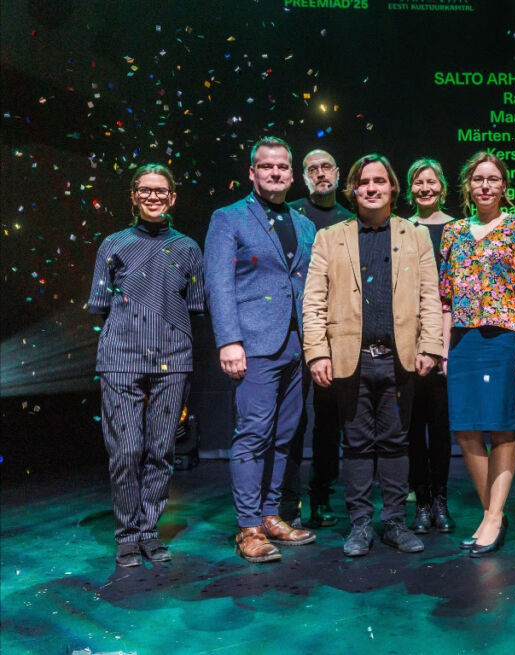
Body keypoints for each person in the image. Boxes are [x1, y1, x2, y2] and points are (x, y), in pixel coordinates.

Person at [303, 154, 444, 557]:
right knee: (357, 444)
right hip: (352, 358)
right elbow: (313, 301)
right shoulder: (330, 237)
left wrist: (430, 346)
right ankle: (361, 524)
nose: (371, 188)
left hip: (400, 358)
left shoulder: (414, 235)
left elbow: (430, 296)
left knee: (397, 442)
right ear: (353, 189)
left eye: (379, 181)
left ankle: (395, 522)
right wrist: (317, 353)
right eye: (363, 182)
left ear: (392, 188)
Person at [204, 136, 317, 563]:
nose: (275, 173)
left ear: (291, 173)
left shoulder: (303, 224)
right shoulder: (228, 217)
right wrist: (229, 340)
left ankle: (271, 515)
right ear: (252, 172)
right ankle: (248, 527)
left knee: (285, 435)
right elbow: (218, 284)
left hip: (296, 343)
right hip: (253, 343)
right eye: (266, 166)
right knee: (253, 434)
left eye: (282, 166)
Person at [88, 164, 204, 567]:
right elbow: (100, 304)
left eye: (161, 191)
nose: (153, 197)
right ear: (133, 196)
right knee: (126, 450)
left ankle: (149, 531)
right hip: (121, 358)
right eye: (145, 190)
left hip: (173, 358)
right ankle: (127, 535)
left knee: (160, 449)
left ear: (173, 198)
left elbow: (194, 306)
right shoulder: (113, 244)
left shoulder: (188, 248)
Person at [440, 151, 515, 557]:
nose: (485, 186)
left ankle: (494, 517)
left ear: (504, 186)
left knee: (501, 427)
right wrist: (444, 347)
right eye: (478, 179)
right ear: (468, 185)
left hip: (503, 338)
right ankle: (491, 512)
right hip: (463, 340)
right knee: (466, 429)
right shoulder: (453, 232)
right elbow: (446, 297)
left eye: (493, 179)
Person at [283, 148, 355, 529]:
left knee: (330, 422)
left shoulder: (350, 219)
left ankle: (322, 496)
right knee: (292, 419)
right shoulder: (289, 215)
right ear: (303, 176)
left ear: (338, 173)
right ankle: (287, 501)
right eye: (313, 169)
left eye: (327, 166)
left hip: (336, 332)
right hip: (294, 331)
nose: (321, 173)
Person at [405, 158, 457, 535]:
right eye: (418, 182)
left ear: (442, 186)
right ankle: (420, 501)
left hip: (447, 338)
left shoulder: (457, 229)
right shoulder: (402, 229)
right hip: (409, 339)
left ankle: (440, 499)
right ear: (410, 189)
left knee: (441, 426)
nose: (425, 188)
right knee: (412, 426)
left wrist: (445, 344)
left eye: (431, 181)